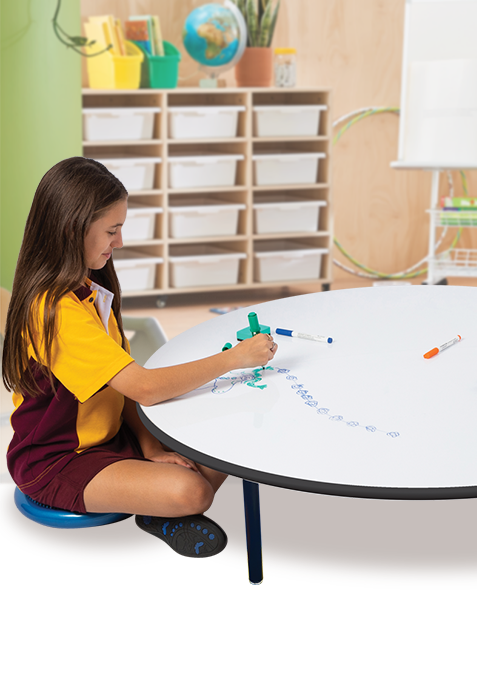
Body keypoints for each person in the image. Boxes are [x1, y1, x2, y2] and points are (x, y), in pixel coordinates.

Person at [3, 157, 277, 558]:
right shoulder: (56, 311)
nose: (120, 242)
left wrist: (151, 449)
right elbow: (144, 388)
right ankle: (163, 510)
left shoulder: (89, 287)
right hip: (58, 460)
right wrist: (234, 359)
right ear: (71, 230)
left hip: (111, 437)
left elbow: (122, 392)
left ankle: (154, 504)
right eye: (112, 231)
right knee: (192, 491)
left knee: (226, 445)